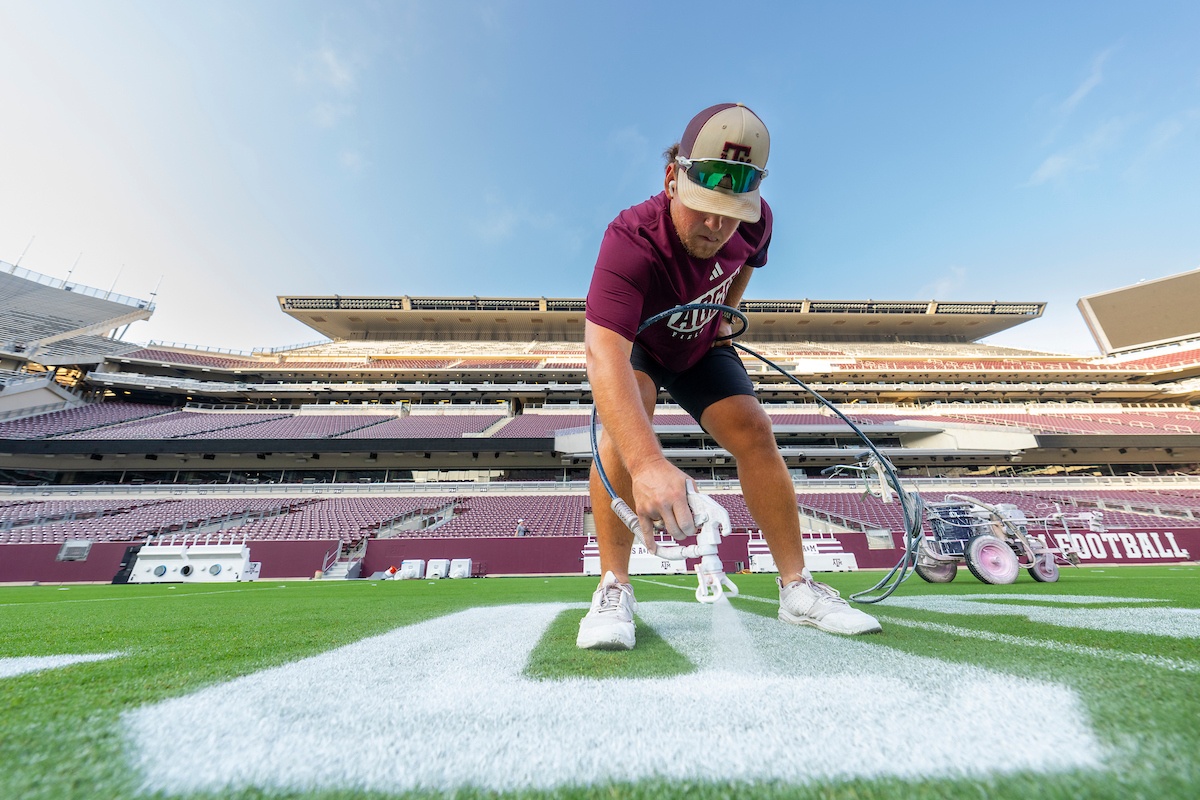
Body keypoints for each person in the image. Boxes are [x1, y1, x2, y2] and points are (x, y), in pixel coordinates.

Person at [578, 103, 881, 650]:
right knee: (621, 439)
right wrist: (648, 462)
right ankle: (613, 585)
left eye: (732, 210)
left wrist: (719, 319)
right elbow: (604, 355)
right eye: (705, 207)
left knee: (754, 429)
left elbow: (744, 263)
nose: (718, 225)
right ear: (673, 178)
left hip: (699, 342)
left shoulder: (757, 222)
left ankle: (797, 587)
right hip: (642, 346)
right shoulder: (630, 239)